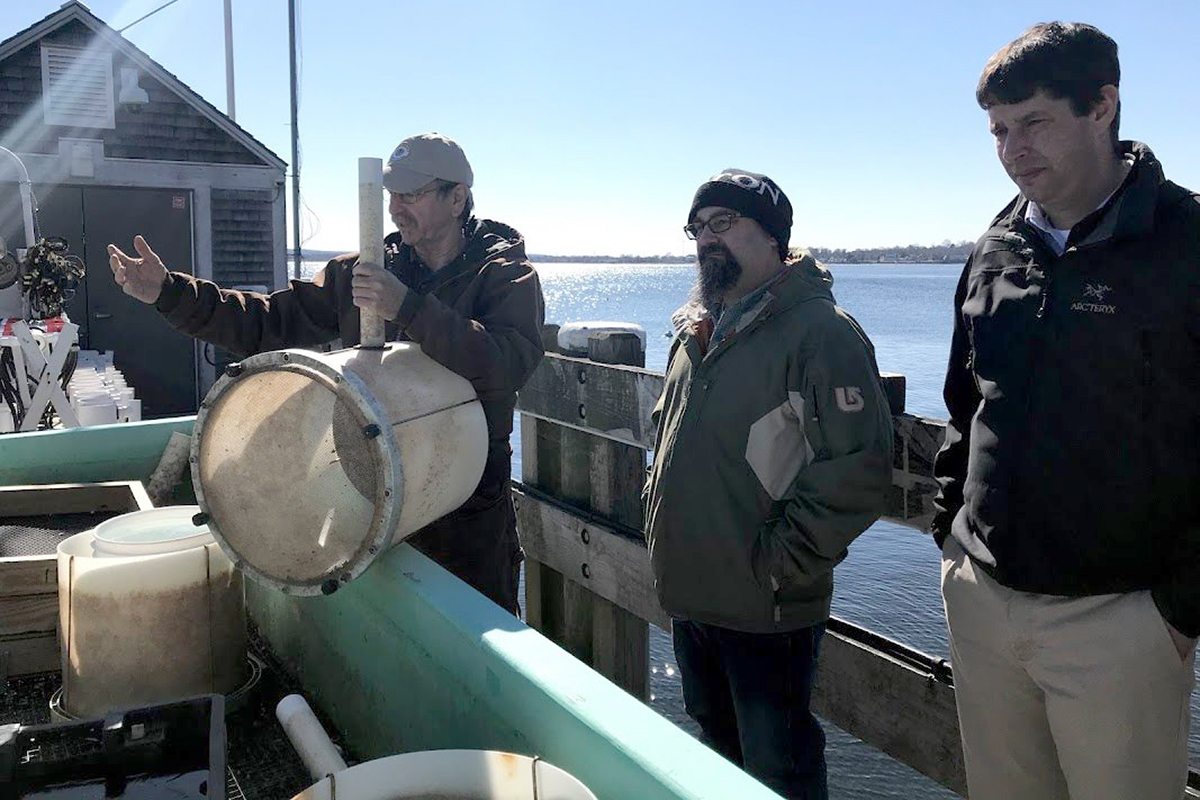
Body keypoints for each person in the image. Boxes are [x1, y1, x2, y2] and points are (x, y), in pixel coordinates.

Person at [107, 132, 545, 615]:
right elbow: (267, 322)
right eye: (391, 195)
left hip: (468, 507)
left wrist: (408, 308)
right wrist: (170, 293)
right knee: (389, 632)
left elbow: (509, 364)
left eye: (412, 195)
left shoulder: (504, 276)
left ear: (457, 197)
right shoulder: (361, 271)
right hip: (370, 493)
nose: (396, 208)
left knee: (475, 637)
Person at [932, 22, 1200, 800]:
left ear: (1102, 106)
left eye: (1035, 121)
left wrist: (1176, 610)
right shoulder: (995, 249)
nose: (1013, 148)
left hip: (1122, 619)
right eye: (999, 131)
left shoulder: (1185, 243)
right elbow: (963, 404)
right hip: (984, 603)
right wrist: (953, 538)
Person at [643, 169, 893, 799]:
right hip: (691, 593)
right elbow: (666, 434)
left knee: (780, 773)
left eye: (723, 223)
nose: (706, 239)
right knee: (717, 767)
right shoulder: (696, 329)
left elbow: (858, 471)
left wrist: (775, 567)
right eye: (697, 228)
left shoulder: (821, 333)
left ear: (775, 234)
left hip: (765, 610)